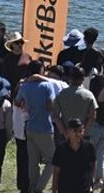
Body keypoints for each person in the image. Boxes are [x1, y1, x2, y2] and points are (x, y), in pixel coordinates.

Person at [17, 60, 62, 193]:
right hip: (44, 127)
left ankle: (32, 186)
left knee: (33, 161)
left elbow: (17, 101)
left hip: (29, 127)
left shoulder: (24, 86)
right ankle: (38, 188)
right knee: (53, 160)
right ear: (41, 70)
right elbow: (50, 104)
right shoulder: (46, 86)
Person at [52, 118, 96, 193]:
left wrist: (90, 184)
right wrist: (54, 190)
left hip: (83, 189)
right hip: (65, 189)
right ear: (68, 132)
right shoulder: (61, 148)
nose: (78, 134)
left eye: (80, 131)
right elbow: (56, 172)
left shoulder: (88, 147)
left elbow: (92, 166)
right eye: (75, 131)